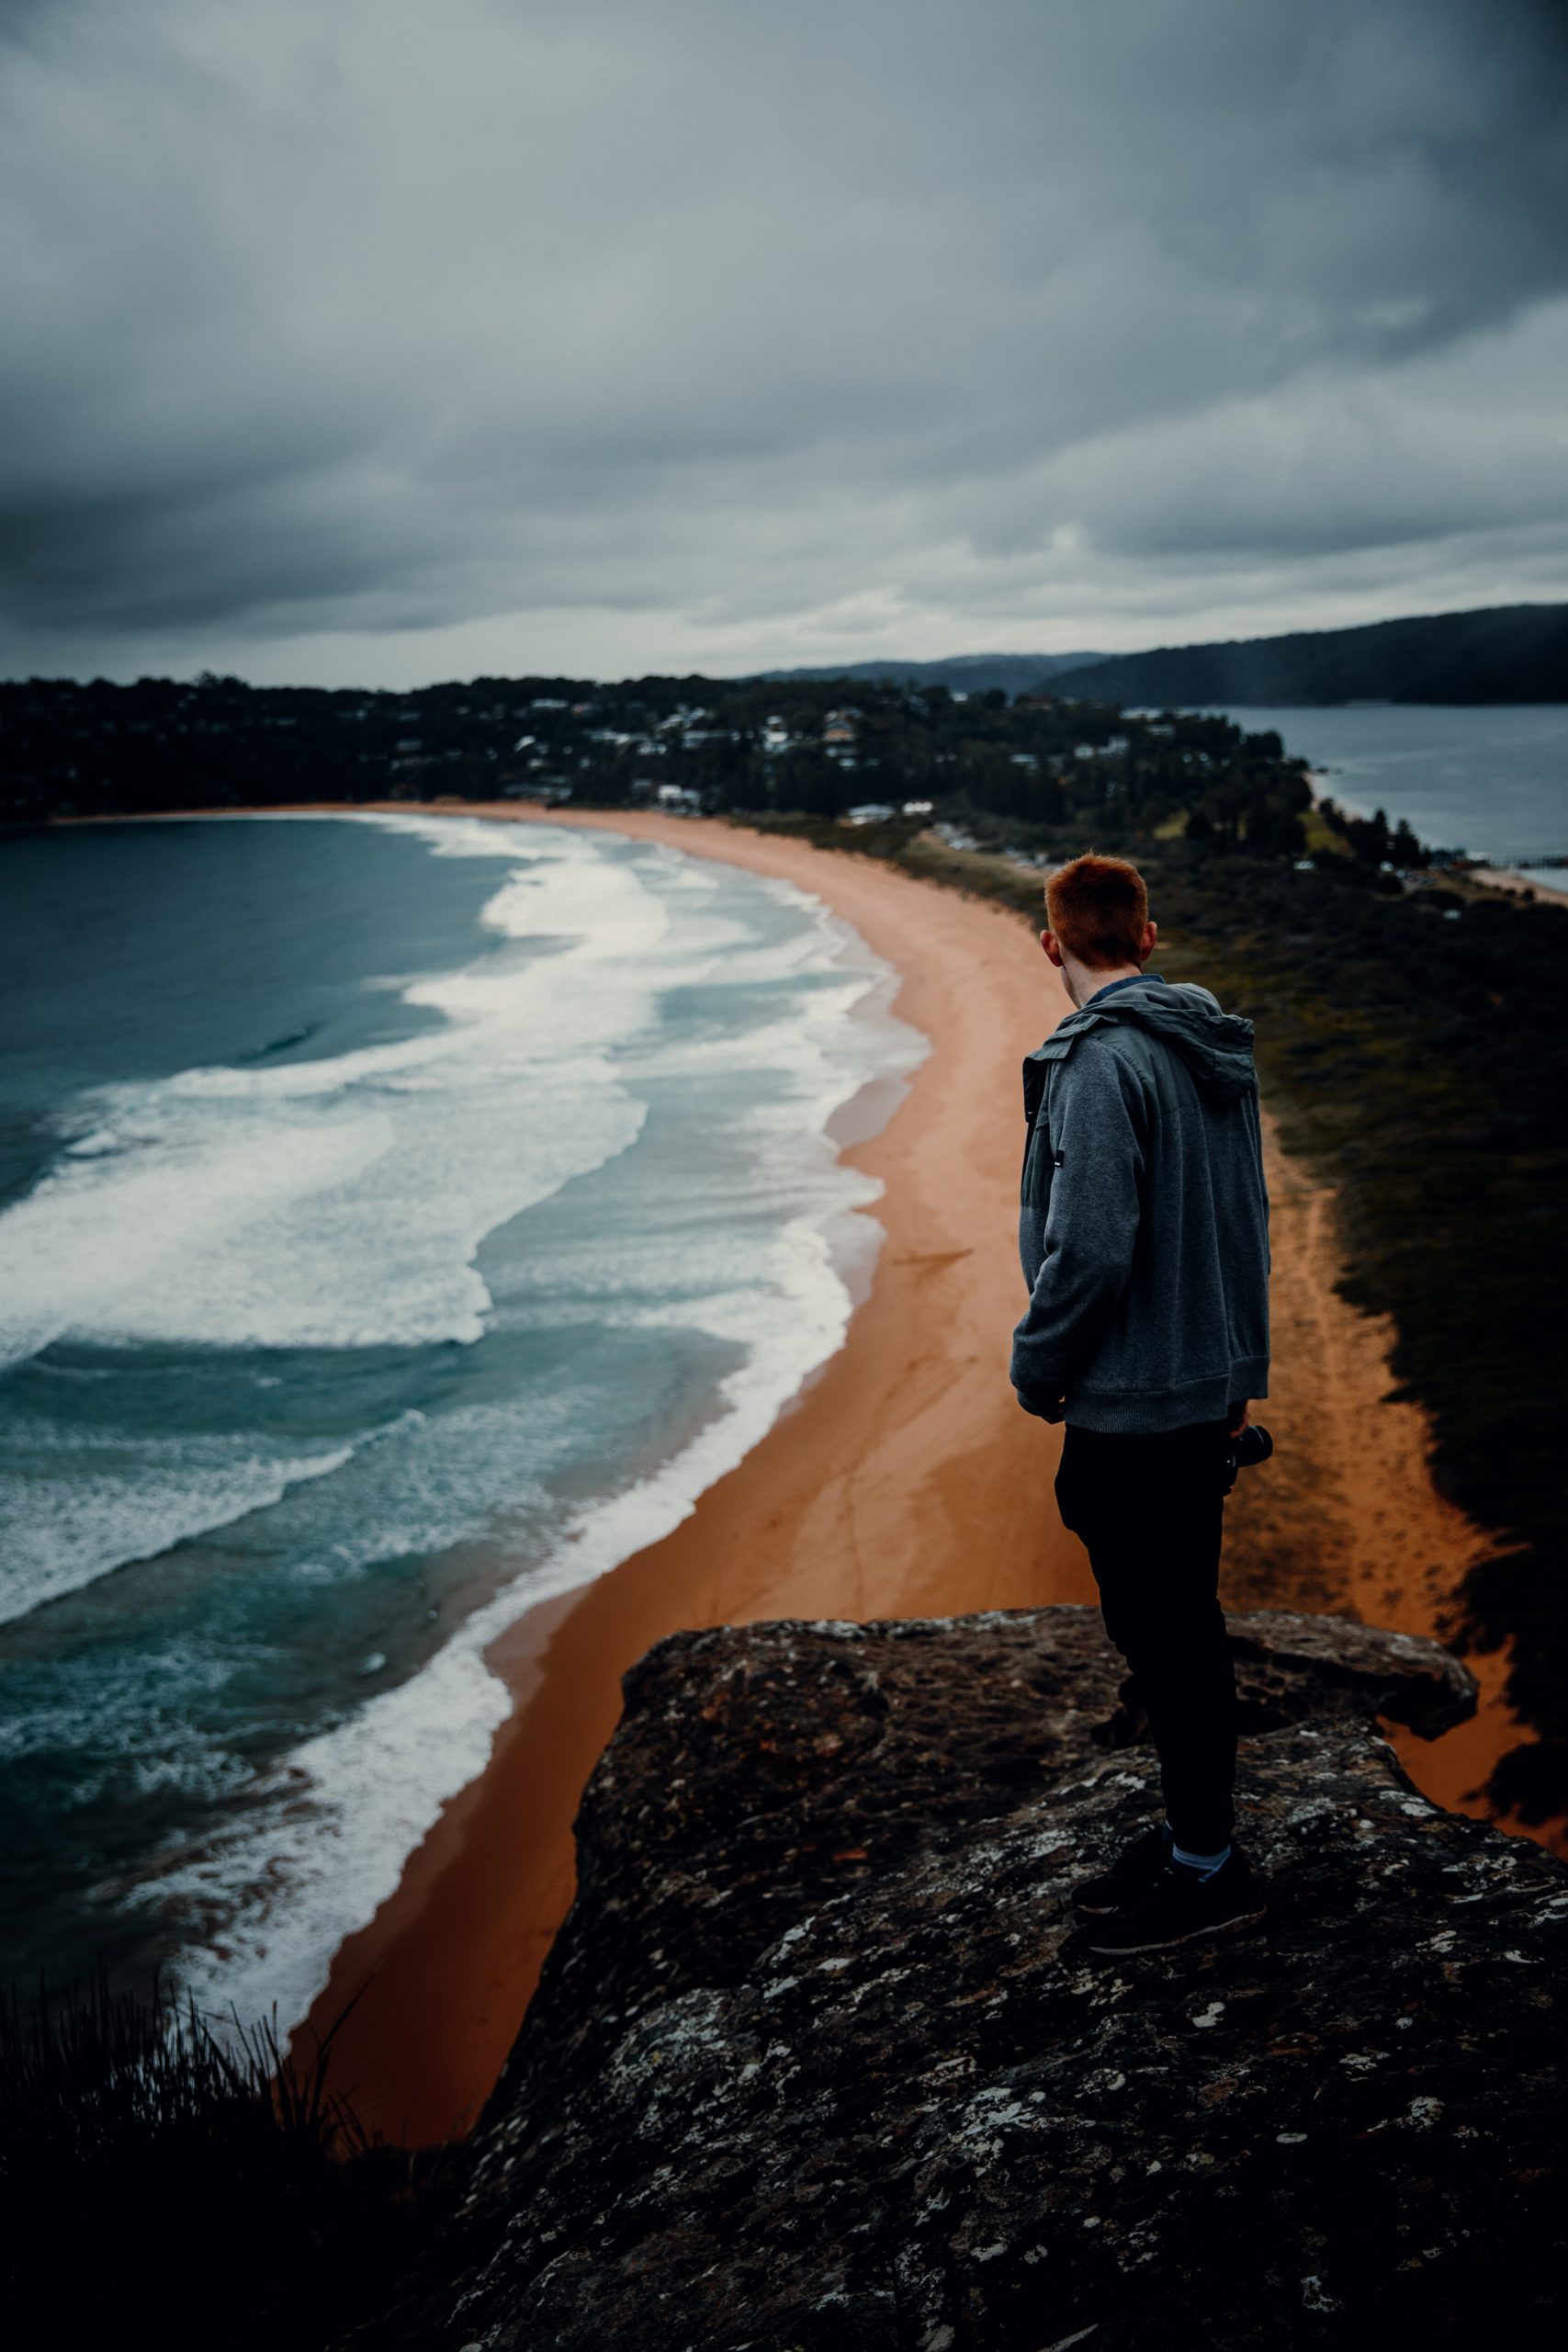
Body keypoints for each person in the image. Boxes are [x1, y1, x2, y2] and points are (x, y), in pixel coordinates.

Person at [1011, 852, 1271, 1953]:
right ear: (1151, 940)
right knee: (1179, 1628)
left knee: (1166, 1636)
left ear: (1051, 943)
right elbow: (1245, 1208)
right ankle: (1193, 1838)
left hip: (1132, 1398)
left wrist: (1036, 1364)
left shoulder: (1099, 1064)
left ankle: (1208, 1869)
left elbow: (1091, 1247)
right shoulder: (1206, 1044)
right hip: (1203, 1378)